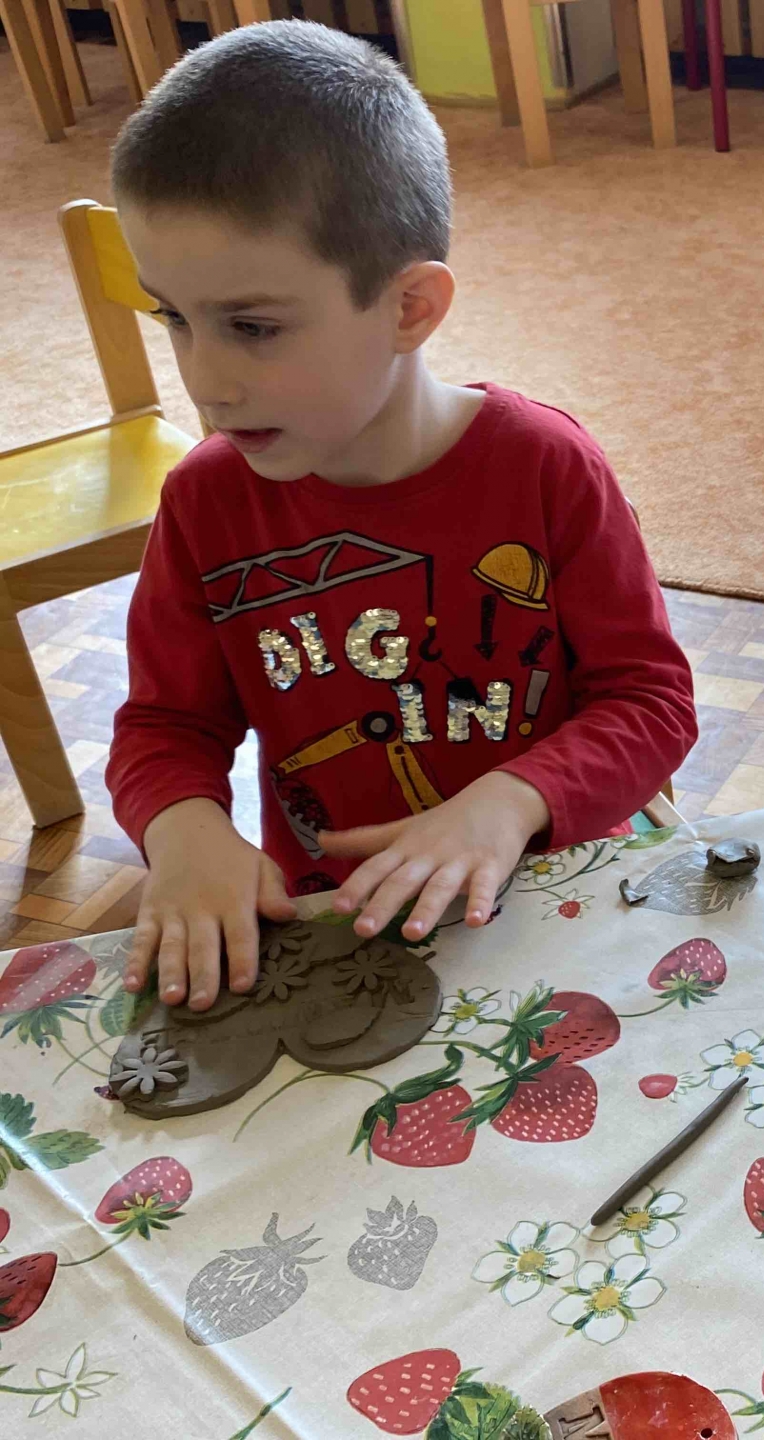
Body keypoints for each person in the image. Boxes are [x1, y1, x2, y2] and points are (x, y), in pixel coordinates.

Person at [103, 22, 697, 1014]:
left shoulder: (546, 467)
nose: (204, 379)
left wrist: (512, 803)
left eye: (251, 326)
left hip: (556, 893)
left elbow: (650, 702)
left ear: (410, 307)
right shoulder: (207, 500)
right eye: (173, 317)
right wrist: (184, 830)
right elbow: (165, 725)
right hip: (344, 925)